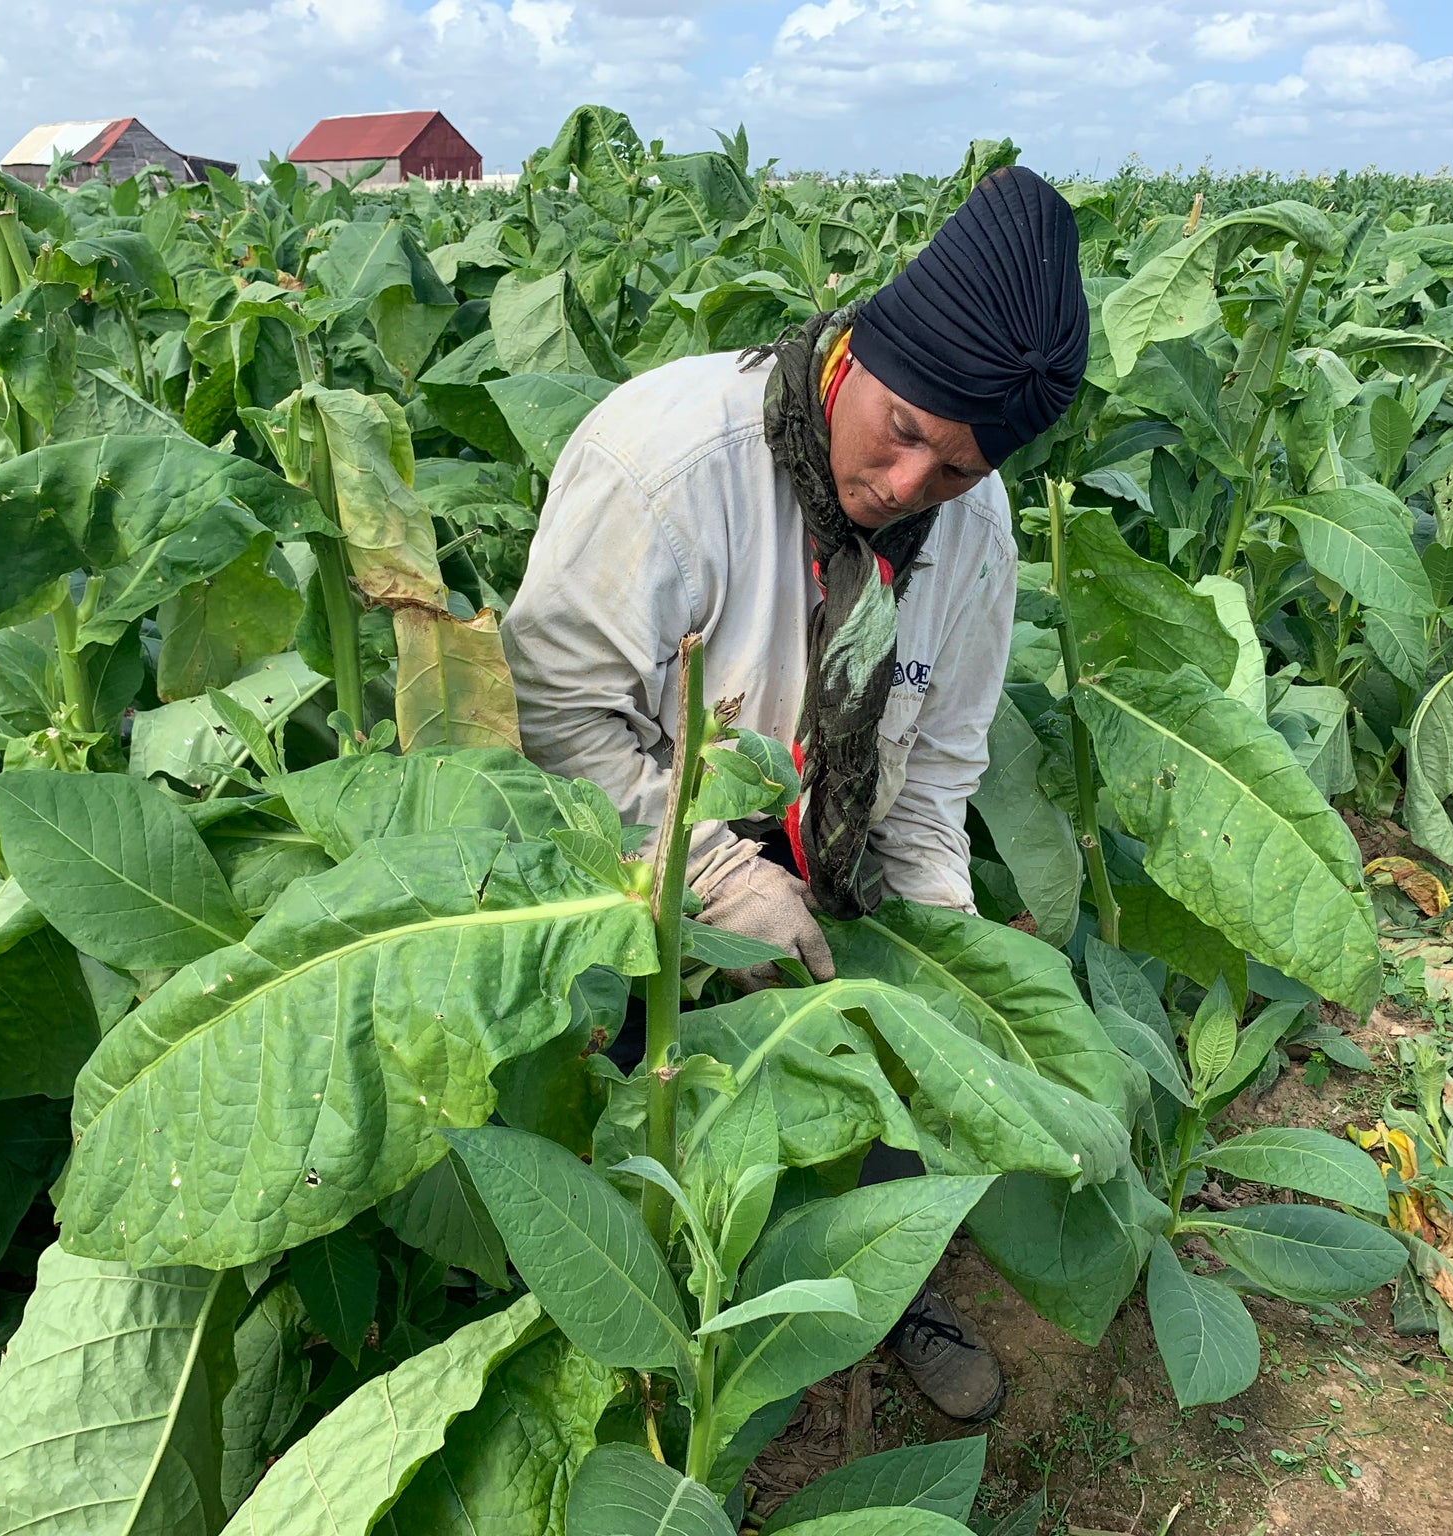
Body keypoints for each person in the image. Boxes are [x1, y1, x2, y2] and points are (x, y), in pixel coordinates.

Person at [502, 165, 1089, 1422]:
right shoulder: (664, 466)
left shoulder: (971, 534)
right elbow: (551, 718)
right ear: (858, 354)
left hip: (833, 836)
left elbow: (936, 762)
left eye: (954, 469)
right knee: (641, 1091)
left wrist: (941, 943)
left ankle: (884, 1275)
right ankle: (630, 1334)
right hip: (627, 840)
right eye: (904, 432)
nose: (906, 485)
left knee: (895, 1034)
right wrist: (709, 873)